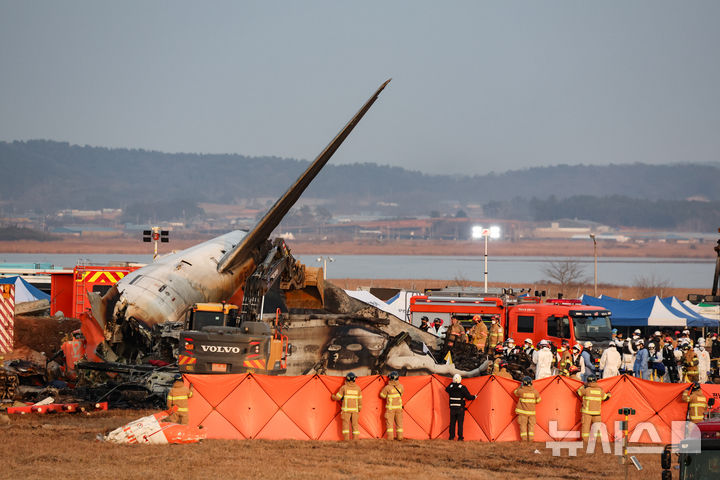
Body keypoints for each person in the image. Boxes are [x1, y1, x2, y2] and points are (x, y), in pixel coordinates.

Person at [577, 375, 611, 443]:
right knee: (597, 430)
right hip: (597, 414)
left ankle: (585, 443)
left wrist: (584, 385)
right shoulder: (600, 390)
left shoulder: (586, 389)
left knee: (585, 430)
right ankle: (598, 443)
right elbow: (606, 398)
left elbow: (578, 393)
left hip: (587, 414)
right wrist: (609, 394)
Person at [332, 372, 363, 440]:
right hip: (355, 411)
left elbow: (338, 398)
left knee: (345, 426)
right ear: (354, 379)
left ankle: (346, 440)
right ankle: (356, 440)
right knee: (355, 426)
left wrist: (333, 396)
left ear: (347, 379)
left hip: (346, 411)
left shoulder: (344, 388)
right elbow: (360, 400)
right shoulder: (358, 388)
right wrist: (359, 408)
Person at [446, 374, 476, 441]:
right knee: (460, 424)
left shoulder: (450, 387)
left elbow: (446, 389)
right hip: (460, 409)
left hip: (452, 409)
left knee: (452, 423)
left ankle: (451, 437)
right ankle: (460, 438)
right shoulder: (462, 388)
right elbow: (468, 397)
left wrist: (452, 383)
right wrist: (474, 397)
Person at [513, 376, 541, 442]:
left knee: (523, 426)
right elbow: (539, 400)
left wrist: (520, 386)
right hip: (532, 413)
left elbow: (515, 392)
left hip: (522, 413)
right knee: (531, 426)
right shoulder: (535, 392)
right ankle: (531, 439)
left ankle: (524, 439)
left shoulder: (521, 391)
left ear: (524, 383)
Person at [379, 371, 404, 440]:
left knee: (389, 424)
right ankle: (400, 437)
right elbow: (401, 394)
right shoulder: (401, 386)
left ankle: (390, 438)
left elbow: (382, 396)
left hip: (390, 409)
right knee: (399, 423)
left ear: (390, 378)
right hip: (399, 409)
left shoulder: (387, 387)